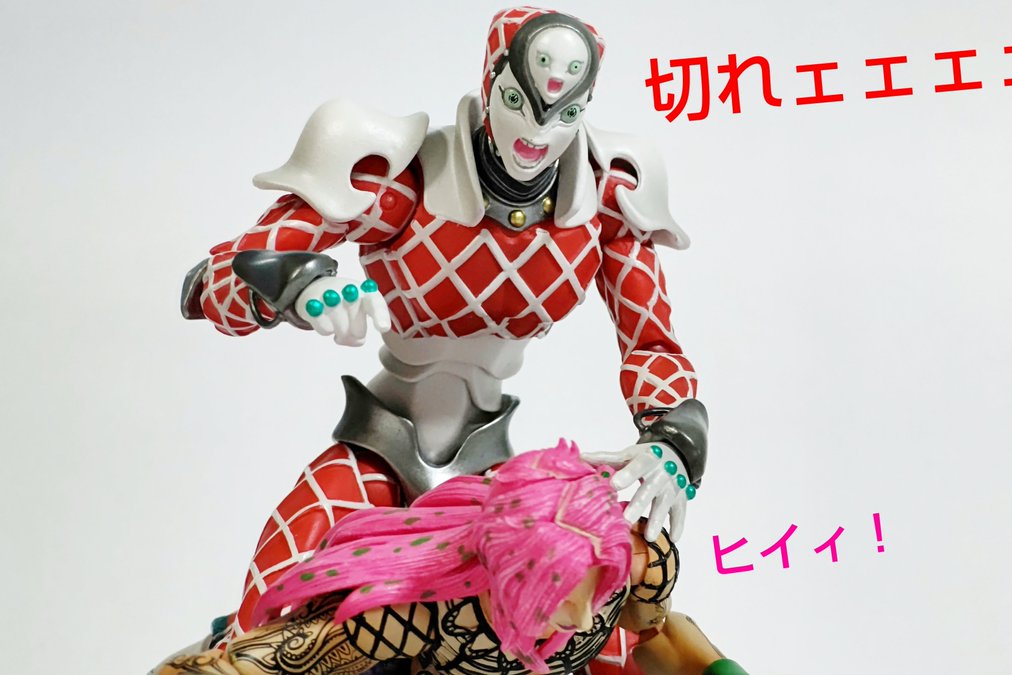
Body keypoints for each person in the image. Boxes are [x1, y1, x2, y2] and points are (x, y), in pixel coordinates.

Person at [178, 7, 711, 650]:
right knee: (265, 624)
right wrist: (294, 285)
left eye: (566, 112)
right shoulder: (403, 179)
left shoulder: (605, 200)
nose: (537, 134)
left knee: (584, 632)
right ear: (491, 82)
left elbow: (651, 340)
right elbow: (212, 283)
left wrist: (672, 442)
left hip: (490, 480)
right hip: (377, 446)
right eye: (517, 102)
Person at [154, 443, 745, 675]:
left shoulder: (640, 562)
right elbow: (269, 664)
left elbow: (659, 639)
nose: (585, 618)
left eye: (599, 590)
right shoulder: (423, 614)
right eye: (557, 600)